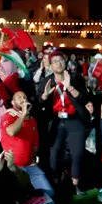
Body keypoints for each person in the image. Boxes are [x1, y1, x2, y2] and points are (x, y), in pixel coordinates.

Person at [39, 51, 91, 193]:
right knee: (54, 153)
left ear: (65, 62)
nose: (59, 63)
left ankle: (76, 183)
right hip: (56, 121)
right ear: (50, 65)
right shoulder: (47, 81)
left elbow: (85, 98)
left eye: (61, 60)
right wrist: (44, 95)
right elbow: (39, 102)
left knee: (77, 152)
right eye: (55, 61)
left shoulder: (76, 78)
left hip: (74, 119)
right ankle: (55, 181)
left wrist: (69, 87)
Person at [0, 89, 53, 201]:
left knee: (49, 193)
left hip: (30, 166)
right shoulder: (9, 115)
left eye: (25, 97)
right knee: (20, 198)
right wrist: (22, 115)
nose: (23, 99)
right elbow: (11, 132)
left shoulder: (32, 120)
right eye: (20, 97)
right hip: (13, 168)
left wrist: (33, 157)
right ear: (13, 102)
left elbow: (35, 144)